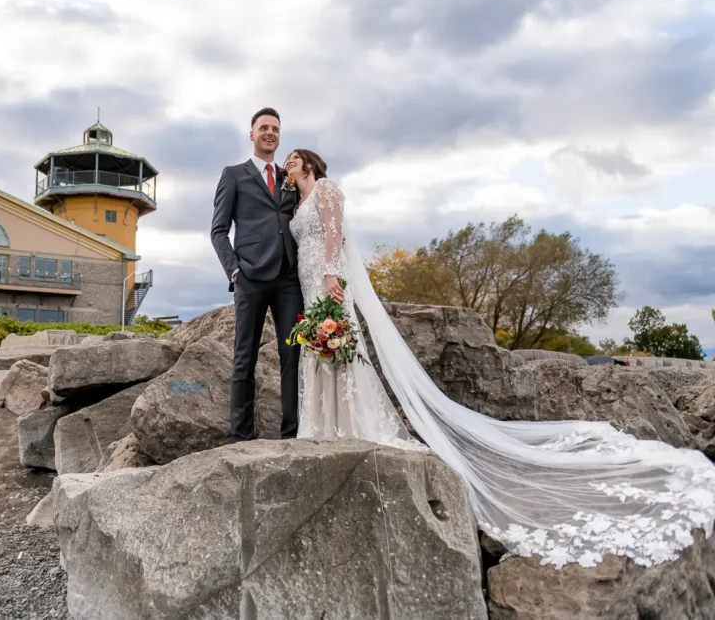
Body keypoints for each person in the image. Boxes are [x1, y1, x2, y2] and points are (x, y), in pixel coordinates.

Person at [283, 147, 715, 569]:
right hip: (306, 282)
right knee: (319, 347)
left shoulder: (326, 189)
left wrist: (330, 272)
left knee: (338, 342)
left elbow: (335, 232)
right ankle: (324, 424)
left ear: (309, 163)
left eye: (293, 158)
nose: (288, 164)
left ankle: (350, 422)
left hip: (327, 277)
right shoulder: (296, 199)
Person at [210, 108, 304, 443]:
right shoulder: (233, 174)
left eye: (275, 129)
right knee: (244, 357)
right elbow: (219, 230)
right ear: (252, 134)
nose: (270, 133)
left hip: (288, 280)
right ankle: (240, 437)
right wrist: (235, 271)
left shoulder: (287, 179)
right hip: (249, 275)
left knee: (292, 355)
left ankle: (291, 434)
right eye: (263, 127)